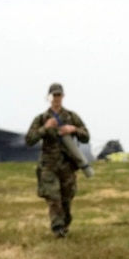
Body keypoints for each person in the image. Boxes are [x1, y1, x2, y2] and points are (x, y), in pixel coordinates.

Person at [25, 83, 90, 238]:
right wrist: (44, 128)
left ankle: (65, 223)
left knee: (66, 199)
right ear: (49, 97)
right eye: (54, 95)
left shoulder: (71, 117)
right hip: (49, 165)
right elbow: (29, 140)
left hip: (67, 165)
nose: (56, 98)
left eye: (59, 95)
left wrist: (73, 129)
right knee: (53, 198)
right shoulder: (41, 119)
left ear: (63, 96)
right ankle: (58, 228)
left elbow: (86, 136)